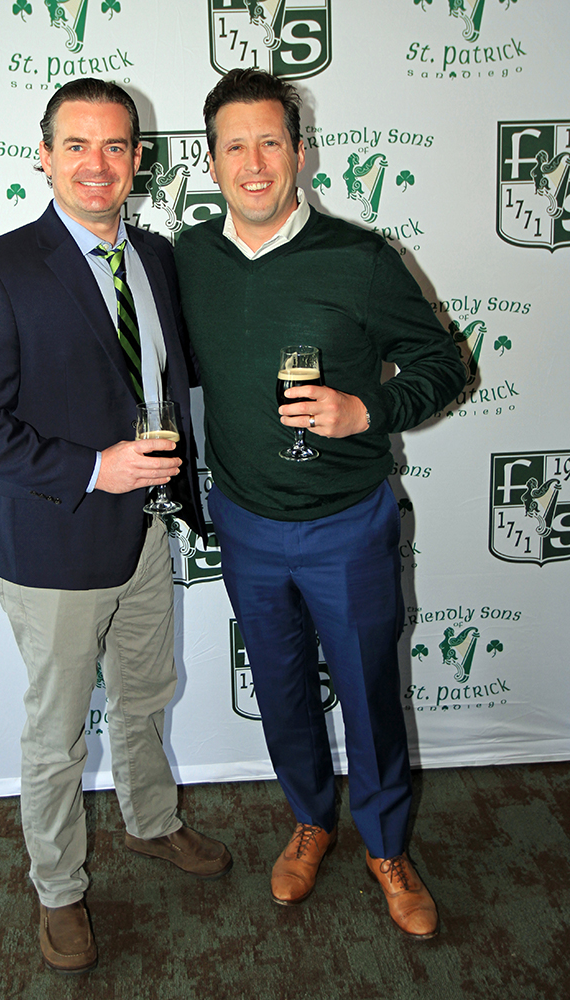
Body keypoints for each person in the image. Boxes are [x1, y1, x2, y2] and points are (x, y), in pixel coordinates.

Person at [0, 79, 231, 976]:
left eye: (114, 146)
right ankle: (59, 888)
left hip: (147, 532)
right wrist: (94, 468)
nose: (97, 165)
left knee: (145, 696)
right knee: (58, 733)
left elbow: (178, 376)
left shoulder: (158, 255)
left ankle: (151, 822)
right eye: (77, 145)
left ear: (137, 158)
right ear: (45, 155)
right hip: (56, 543)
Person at [175, 69, 466, 940]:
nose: (254, 164)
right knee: (281, 689)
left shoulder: (362, 259)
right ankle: (310, 820)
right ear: (212, 162)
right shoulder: (189, 259)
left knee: (371, 693)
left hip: (348, 523)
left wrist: (365, 410)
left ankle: (387, 847)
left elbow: (445, 364)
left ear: (300, 154)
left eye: (271, 142)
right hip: (246, 523)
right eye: (235, 146)